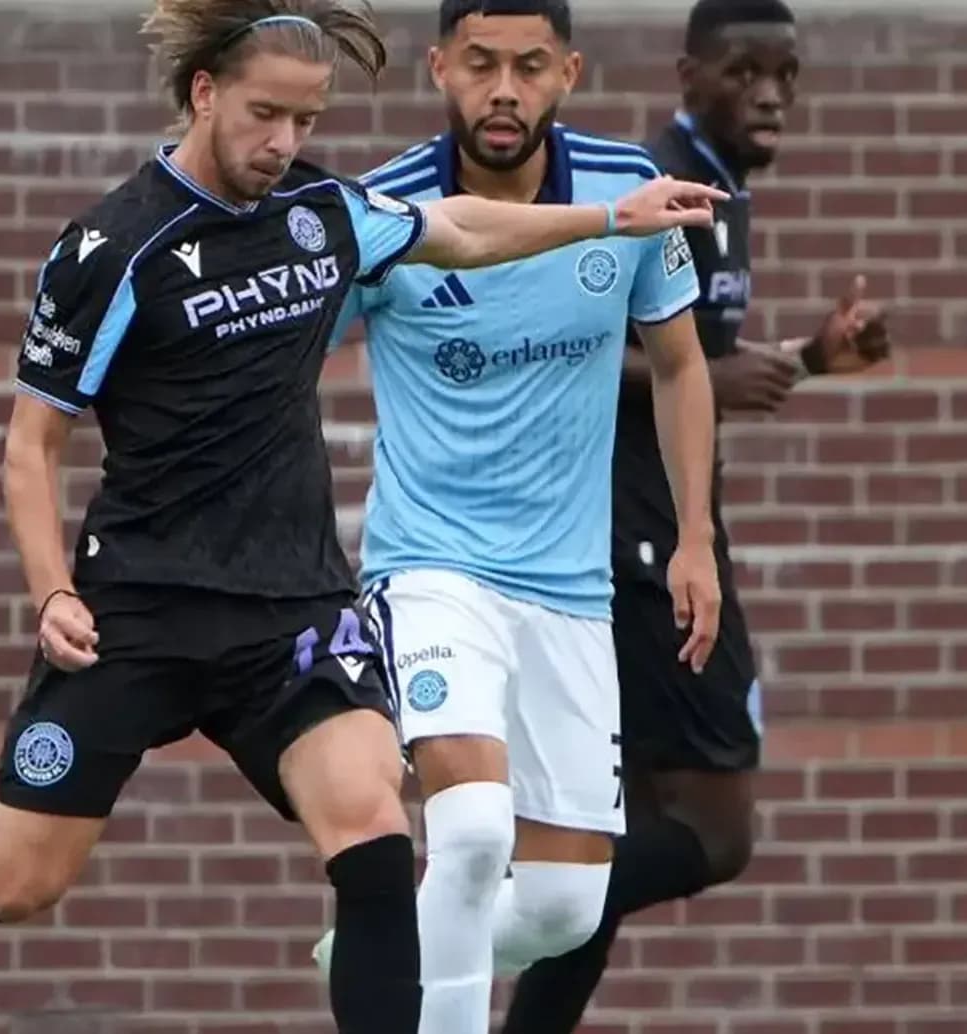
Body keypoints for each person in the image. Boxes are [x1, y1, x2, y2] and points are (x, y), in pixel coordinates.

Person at [0, 2, 727, 1032]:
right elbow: (30, 444)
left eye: (306, 122)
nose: (283, 144)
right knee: (16, 880)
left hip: (290, 612)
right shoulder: (112, 248)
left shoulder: (322, 212)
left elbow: (453, 228)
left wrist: (605, 218)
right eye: (264, 115)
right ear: (203, 92)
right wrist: (50, 586)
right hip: (137, 608)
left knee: (375, 833)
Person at [305, 2, 723, 1031]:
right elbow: (287, 364)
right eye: (481, 64)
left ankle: (385, 944)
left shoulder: (631, 191)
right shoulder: (389, 211)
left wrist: (695, 533)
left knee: (564, 906)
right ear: (439, 65)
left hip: (569, 587)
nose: (504, 90)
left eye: (529, 66)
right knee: (476, 830)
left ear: (568, 71)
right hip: (431, 567)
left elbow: (678, 363)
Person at [497, 1, 893, 1031]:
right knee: (715, 835)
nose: (769, 92)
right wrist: (708, 385)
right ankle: (460, 910)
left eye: (786, 73)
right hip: (638, 545)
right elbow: (555, 345)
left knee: (616, 836)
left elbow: (697, 376)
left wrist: (808, 360)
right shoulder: (656, 188)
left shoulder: (724, 192)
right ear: (687, 75)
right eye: (743, 70)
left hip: (649, 532)